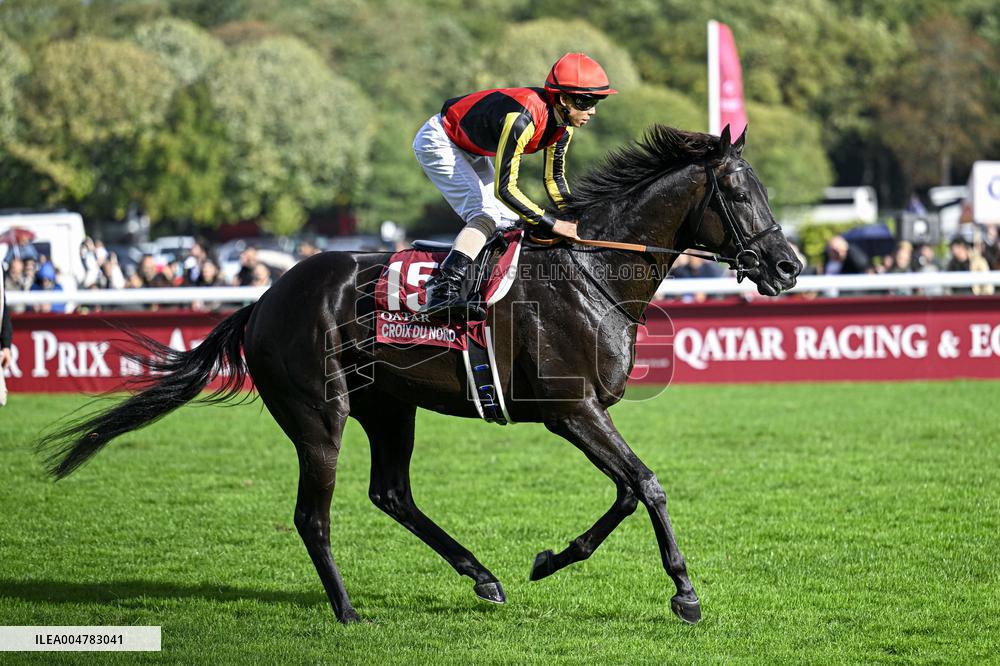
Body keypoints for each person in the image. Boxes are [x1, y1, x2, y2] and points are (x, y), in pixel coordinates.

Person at [413, 52, 617, 318]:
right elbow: (505, 189)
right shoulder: (522, 118)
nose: (592, 111)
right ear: (563, 99)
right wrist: (553, 223)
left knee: (509, 221)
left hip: (470, 148)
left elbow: (553, 180)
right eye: (585, 101)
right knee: (485, 215)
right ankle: (441, 291)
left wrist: (579, 218)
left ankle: (480, 285)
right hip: (440, 139)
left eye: (595, 102)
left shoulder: (563, 127)